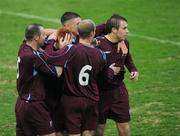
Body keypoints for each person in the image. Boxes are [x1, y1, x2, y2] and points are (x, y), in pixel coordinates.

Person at [44, 19, 120, 136]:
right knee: (88, 132)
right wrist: (111, 70)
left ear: (78, 33)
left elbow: (49, 57)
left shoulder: (70, 50)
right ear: (92, 33)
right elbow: (104, 78)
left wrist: (50, 42)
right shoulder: (100, 54)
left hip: (72, 100)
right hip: (91, 100)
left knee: (74, 133)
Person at [95, 14, 139, 136]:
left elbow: (127, 58)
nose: (127, 31)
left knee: (124, 128)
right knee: (99, 129)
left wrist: (133, 70)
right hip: (100, 93)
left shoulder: (124, 42)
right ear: (114, 29)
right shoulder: (98, 44)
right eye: (124, 28)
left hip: (118, 92)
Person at [15, 23, 62, 136]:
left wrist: (59, 33)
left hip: (22, 102)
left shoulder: (24, 47)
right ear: (36, 37)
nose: (45, 37)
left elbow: (44, 33)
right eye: (43, 35)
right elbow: (57, 72)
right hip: (34, 104)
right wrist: (63, 51)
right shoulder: (33, 57)